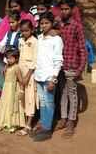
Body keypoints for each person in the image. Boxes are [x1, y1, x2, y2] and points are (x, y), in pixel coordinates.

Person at [54, 0, 86, 138]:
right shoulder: (58, 24)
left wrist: (80, 68)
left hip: (72, 66)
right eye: (62, 9)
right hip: (60, 66)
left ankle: (71, 122)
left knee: (72, 95)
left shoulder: (76, 26)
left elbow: (82, 48)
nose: (64, 11)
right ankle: (63, 118)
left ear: (72, 10)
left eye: (67, 9)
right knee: (63, 93)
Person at [33, 12, 63, 141]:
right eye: (42, 23)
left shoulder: (56, 39)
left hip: (49, 77)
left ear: (52, 24)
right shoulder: (39, 38)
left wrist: (53, 79)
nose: (44, 25)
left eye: (47, 23)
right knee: (43, 102)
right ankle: (44, 125)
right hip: (39, 76)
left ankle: (47, 129)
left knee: (49, 103)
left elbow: (58, 61)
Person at [0, 48, 25, 132]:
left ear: (16, 58)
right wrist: (4, 71)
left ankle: (12, 123)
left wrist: (22, 91)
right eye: (7, 58)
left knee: (12, 105)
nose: (9, 60)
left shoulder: (16, 68)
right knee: (5, 104)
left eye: (11, 58)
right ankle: (3, 121)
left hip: (13, 89)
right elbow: (5, 78)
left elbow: (21, 81)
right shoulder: (6, 66)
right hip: (6, 88)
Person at [17, 19, 38, 136]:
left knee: (30, 98)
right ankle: (21, 120)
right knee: (21, 96)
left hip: (29, 74)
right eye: (22, 31)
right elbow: (19, 56)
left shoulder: (35, 42)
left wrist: (27, 75)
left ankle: (29, 124)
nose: (24, 33)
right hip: (21, 71)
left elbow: (35, 60)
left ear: (32, 30)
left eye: (27, 30)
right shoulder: (20, 41)